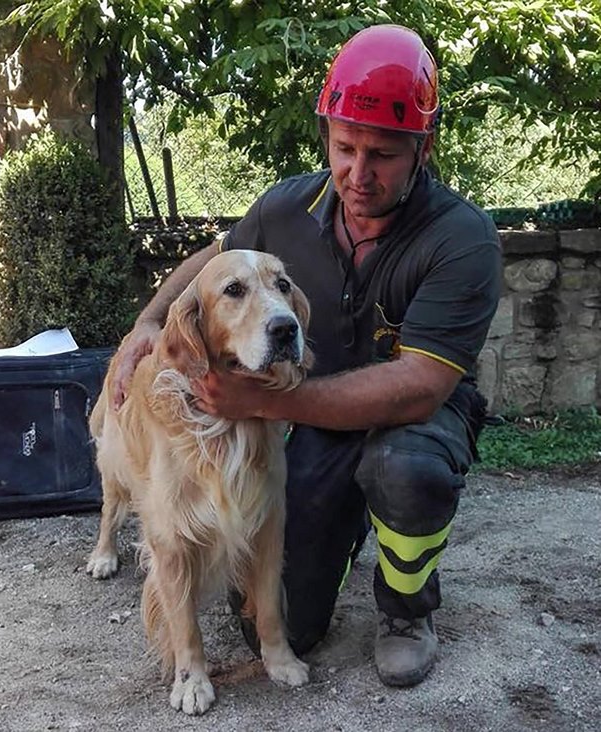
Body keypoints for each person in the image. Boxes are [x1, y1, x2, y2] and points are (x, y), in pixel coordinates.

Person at [112, 24, 502, 688]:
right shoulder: (287, 205)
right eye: (343, 147)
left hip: (417, 417)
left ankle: (406, 609)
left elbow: (417, 387)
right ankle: (337, 535)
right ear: (326, 134)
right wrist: (146, 322)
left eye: (381, 155)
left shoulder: (460, 238)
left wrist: (264, 399)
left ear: (421, 149)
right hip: (317, 410)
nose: (357, 173)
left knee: (405, 469)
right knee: (282, 628)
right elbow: (214, 259)